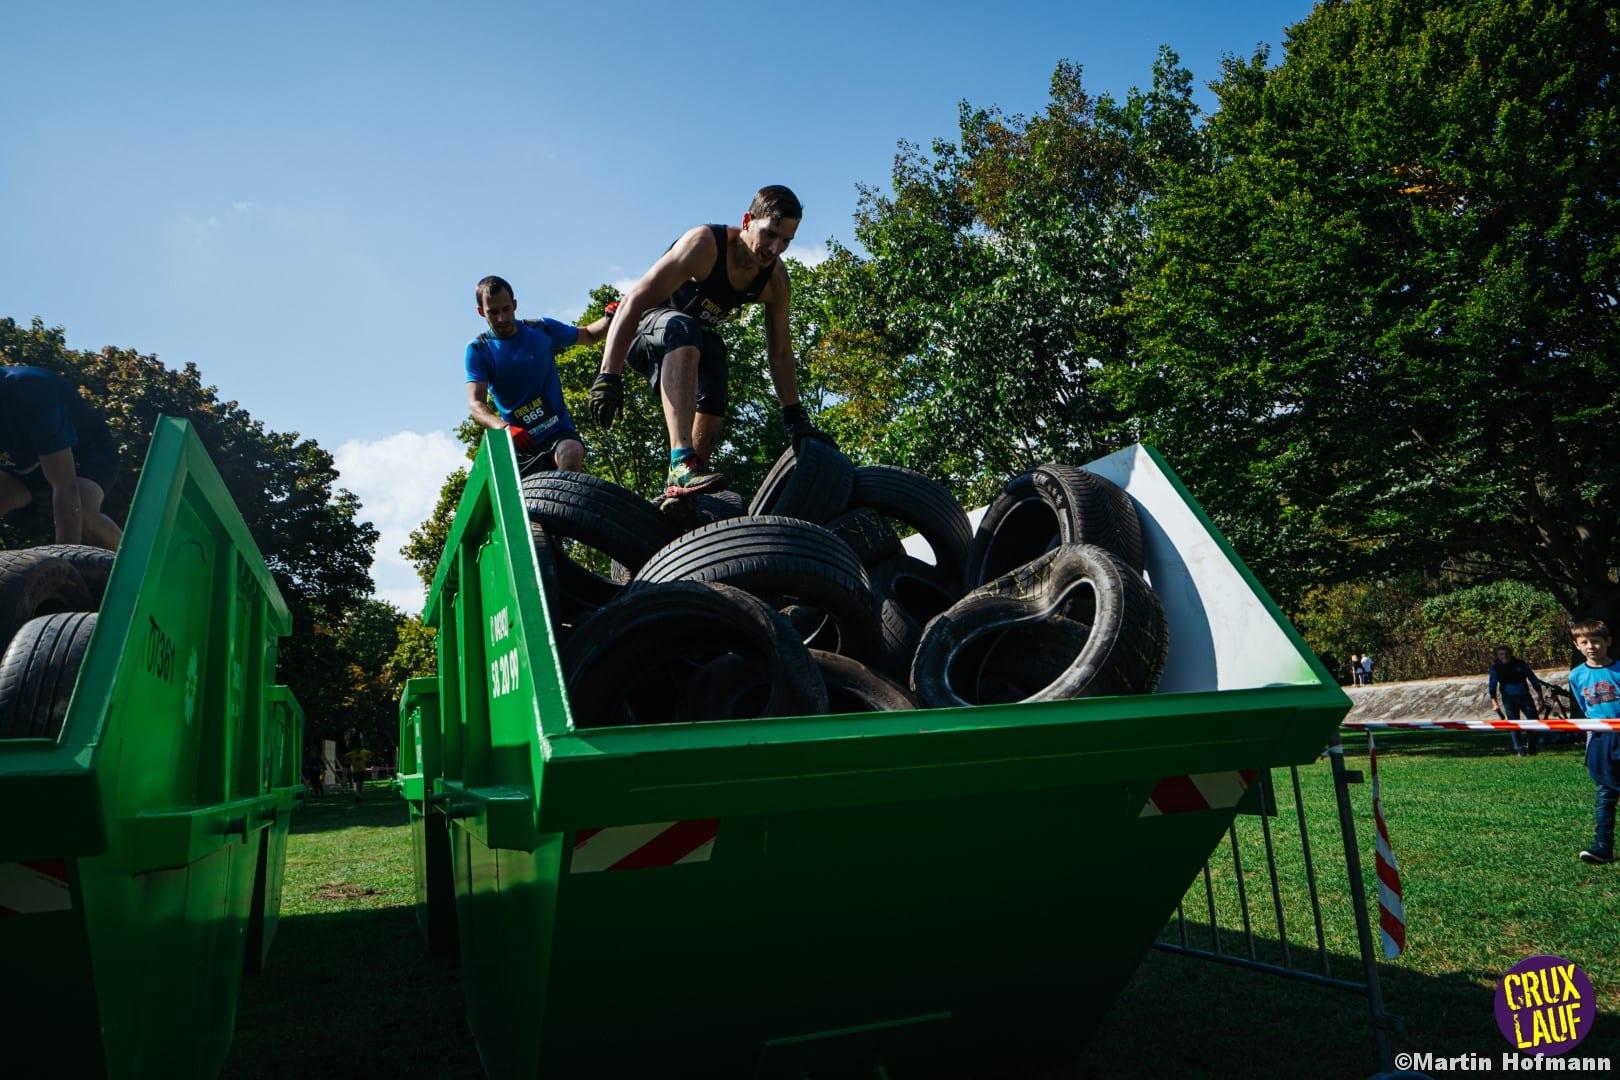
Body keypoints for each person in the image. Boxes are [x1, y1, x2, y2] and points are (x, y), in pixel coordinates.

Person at [586, 185, 830, 501]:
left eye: (785, 241)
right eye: (769, 234)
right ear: (747, 221)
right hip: (640, 329)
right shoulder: (704, 245)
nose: (774, 248)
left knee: (715, 362)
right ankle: (681, 460)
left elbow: (781, 354)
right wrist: (608, 376)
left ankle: (685, 485)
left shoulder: (775, 280)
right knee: (684, 328)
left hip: (689, 342)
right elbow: (633, 302)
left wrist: (795, 416)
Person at [465, 276, 612, 477]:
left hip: (557, 432)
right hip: (519, 444)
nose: (501, 318)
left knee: (572, 451)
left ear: (514, 304)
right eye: (493, 312)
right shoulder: (479, 350)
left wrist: (611, 317)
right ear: (481, 312)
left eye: (506, 309)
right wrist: (505, 428)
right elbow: (476, 404)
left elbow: (589, 335)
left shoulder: (542, 329)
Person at [0, 365, 122, 549]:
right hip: (28, 460)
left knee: (83, 514)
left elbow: (64, 484)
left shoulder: (29, 389)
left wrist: (64, 562)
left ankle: (140, 572)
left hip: (86, 453)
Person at [1565, 619, 1620, 865]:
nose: (1591, 646)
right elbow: (1583, 706)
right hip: (1599, 739)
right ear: (1577, 645)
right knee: (1605, 793)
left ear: (1607, 642)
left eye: (1596, 641)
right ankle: (1602, 846)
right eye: (1584, 642)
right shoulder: (1576, 675)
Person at [1488, 644, 1548, 756]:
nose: (1504, 656)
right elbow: (1492, 686)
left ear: (1511, 654)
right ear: (1497, 656)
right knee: (1513, 724)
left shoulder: (1521, 664)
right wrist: (1494, 703)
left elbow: (1533, 679)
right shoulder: (1495, 668)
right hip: (1508, 698)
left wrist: (1540, 697)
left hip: (1524, 696)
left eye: (1506, 654)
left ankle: (1532, 747)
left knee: (1533, 721)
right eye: (1501, 654)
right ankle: (1520, 749)